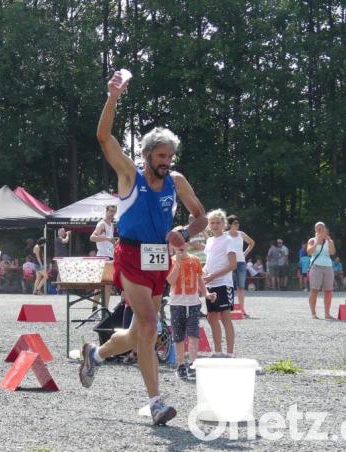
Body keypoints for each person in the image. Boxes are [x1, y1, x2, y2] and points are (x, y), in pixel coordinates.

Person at [78, 70, 207, 426]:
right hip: (131, 256)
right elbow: (104, 138)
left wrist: (183, 231)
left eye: (170, 157)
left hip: (159, 259)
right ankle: (156, 403)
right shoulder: (129, 175)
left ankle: (95, 354)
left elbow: (200, 216)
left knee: (139, 335)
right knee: (150, 326)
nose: (167, 162)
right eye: (162, 156)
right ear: (148, 154)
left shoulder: (176, 181)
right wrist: (112, 97)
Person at [166, 240, 214, 380]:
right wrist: (178, 263)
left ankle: (193, 364)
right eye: (177, 243)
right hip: (176, 303)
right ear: (173, 246)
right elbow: (170, 281)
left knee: (194, 334)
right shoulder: (170, 261)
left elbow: (199, 280)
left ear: (187, 244)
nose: (180, 246)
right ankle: (181, 364)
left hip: (193, 303)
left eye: (183, 243)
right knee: (178, 336)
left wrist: (206, 293)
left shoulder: (195, 260)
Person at [203, 209, 241, 357]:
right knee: (211, 317)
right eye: (212, 223)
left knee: (225, 317)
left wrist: (213, 276)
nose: (215, 225)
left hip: (224, 284)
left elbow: (233, 264)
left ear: (224, 224)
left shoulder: (228, 240)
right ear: (208, 225)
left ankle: (230, 353)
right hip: (210, 284)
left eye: (218, 222)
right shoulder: (209, 241)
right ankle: (218, 351)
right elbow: (208, 262)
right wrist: (202, 274)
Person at [226, 215, 255, 317]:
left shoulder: (241, 234)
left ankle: (242, 310)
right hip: (229, 263)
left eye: (238, 223)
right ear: (230, 224)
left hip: (241, 263)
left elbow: (251, 243)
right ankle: (228, 310)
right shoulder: (224, 235)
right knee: (229, 286)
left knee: (241, 287)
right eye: (235, 223)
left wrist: (245, 253)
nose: (237, 225)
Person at [306, 222, 336, 319]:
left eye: (321, 228)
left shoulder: (329, 241)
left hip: (328, 267)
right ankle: (313, 313)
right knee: (314, 290)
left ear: (325, 229)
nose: (320, 230)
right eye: (317, 228)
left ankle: (327, 313)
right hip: (316, 266)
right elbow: (309, 252)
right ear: (315, 230)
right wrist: (316, 243)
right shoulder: (312, 240)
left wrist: (329, 241)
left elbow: (332, 252)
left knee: (328, 291)